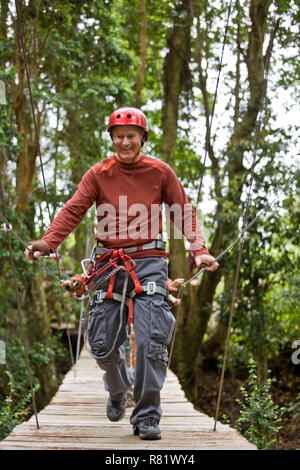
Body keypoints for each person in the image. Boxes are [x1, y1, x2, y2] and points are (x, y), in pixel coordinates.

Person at [25, 107, 218, 440]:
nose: (124, 142)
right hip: (108, 263)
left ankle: (146, 416)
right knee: (100, 344)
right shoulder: (99, 173)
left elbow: (183, 212)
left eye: (131, 136)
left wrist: (198, 249)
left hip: (150, 261)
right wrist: (48, 240)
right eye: (119, 136)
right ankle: (118, 388)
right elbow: (74, 210)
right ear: (112, 137)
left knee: (150, 341)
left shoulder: (160, 172)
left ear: (142, 138)